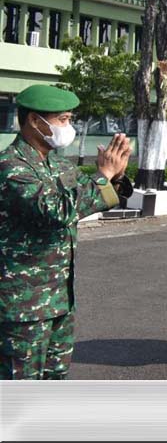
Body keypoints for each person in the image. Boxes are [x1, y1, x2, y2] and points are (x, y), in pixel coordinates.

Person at [0, 84, 133, 380]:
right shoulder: (10, 167)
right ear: (35, 121)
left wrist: (117, 177)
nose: (68, 127)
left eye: (70, 120)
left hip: (59, 297)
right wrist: (102, 176)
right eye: (62, 120)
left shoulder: (58, 164)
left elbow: (81, 202)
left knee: (55, 380)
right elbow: (55, 211)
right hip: (23, 305)